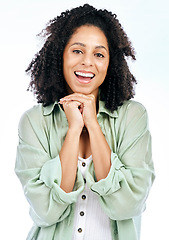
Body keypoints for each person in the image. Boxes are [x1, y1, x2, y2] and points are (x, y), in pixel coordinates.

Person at [15, 4, 155, 240]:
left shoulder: (133, 116)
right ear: (60, 54)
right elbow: (46, 211)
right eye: (77, 51)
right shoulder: (34, 121)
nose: (87, 62)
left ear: (110, 63)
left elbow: (128, 205)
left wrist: (92, 122)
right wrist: (74, 129)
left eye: (99, 54)